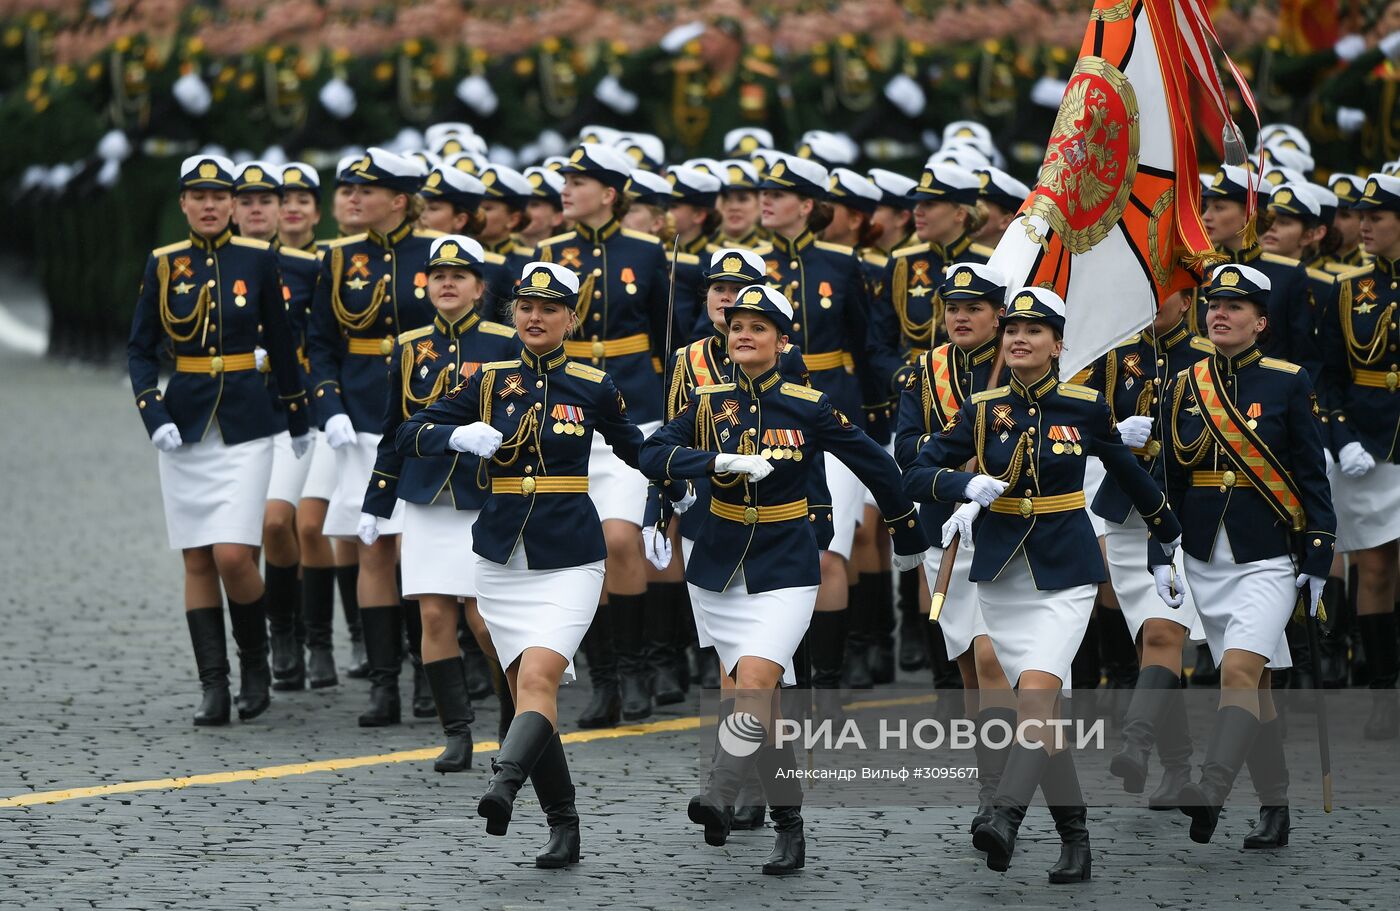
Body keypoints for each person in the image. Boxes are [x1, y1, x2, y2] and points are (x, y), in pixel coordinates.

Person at [641, 283, 929, 876]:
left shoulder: (809, 404)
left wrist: (904, 527)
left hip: (786, 562)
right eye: (736, 325)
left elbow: (874, 459)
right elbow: (653, 453)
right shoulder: (707, 401)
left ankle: (720, 791)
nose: (743, 334)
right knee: (758, 700)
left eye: (758, 326)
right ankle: (790, 829)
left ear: (782, 339)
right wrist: (710, 465)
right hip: (719, 563)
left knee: (754, 682)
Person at [903, 287, 1182, 882]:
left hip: (1065, 571)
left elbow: (1130, 472)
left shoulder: (1083, 405)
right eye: (1014, 330)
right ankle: (1075, 840)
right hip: (1002, 575)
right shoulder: (981, 409)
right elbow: (919, 469)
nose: (1021, 338)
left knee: (1034, 696)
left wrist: (1164, 540)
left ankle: (1004, 815)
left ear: (1059, 345)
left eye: (1036, 330)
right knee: (1042, 718)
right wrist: (961, 487)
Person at [394, 261, 661, 869]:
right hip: (501, 557)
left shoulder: (594, 383)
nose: (534, 318)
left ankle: (503, 784)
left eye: (549, 308)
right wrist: (456, 438)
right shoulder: (487, 380)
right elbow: (411, 430)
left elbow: (639, 450)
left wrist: (683, 481)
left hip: (570, 556)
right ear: (512, 313)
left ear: (571, 317)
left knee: (538, 680)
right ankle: (564, 827)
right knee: (524, 692)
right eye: (525, 307)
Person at [1155, 263, 1335, 848]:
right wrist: (1165, 546)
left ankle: (1211, 789)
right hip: (1207, 555)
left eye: (1235, 306)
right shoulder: (1185, 383)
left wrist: (1318, 553)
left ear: (1260, 321)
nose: (1220, 313)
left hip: (1267, 555)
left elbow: (1311, 475)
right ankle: (1275, 810)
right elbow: (1173, 476)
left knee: (1237, 670)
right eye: (1214, 304)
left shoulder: (1287, 381)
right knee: (1252, 687)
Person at [127, 153, 311, 725]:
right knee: (197, 559)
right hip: (185, 427)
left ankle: (255, 663)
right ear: (182, 203)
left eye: (218, 195)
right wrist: (152, 413)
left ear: (232, 204)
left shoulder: (256, 259)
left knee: (234, 553)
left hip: (248, 425)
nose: (209, 205)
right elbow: (139, 349)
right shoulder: (164, 264)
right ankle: (214, 684)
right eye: (197, 195)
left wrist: (298, 416)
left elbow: (281, 342)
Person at [358, 235, 518, 770]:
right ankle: (457, 733)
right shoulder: (409, 346)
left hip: (481, 492)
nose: (447, 282)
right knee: (432, 616)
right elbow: (393, 427)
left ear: (479, 287)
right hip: (426, 494)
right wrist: (377, 500)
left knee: (483, 618)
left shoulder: (503, 341)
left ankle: (510, 721)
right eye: (438, 274)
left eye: (460, 274)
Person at [754, 150, 897, 713]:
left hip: (832, 416)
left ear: (807, 205)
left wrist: (881, 415)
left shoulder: (842, 264)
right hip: (762, 418)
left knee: (828, 551)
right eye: (764, 192)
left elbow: (867, 346)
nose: (766, 200)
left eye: (779, 194)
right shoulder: (750, 262)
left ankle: (827, 682)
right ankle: (784, 669)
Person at [535, 143, 671, 726]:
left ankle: (638, 668)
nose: (566, 189)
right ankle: (605, 677)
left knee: (620, 540)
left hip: (630, 406)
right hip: (565, 408)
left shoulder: (644, 251)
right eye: (565, 179)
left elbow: (668, 336)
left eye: (579, 181)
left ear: (610, 193)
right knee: (580, 546)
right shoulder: (547, 254)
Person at [307, 147, 437, 726]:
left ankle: (429, 673)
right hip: (360, 414)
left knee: (422, 546)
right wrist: (329, 406)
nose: (353, 199)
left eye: (367, 191)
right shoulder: (336, 259)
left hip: (425, 412)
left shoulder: (434, 255)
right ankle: (384, 684)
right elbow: (320, 344)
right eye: (350, 190)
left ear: (400, 200)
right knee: (374, 544)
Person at [893, 261, 1015, 828]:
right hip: (946, 525)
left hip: (1010, 523)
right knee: (968, 662)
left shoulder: (1022, 362)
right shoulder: (925, 369)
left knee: (992, 658)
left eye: (974, 308)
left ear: (999, 315)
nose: (961, 317)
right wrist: (955, 465)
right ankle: (991, 783)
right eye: (952, 308)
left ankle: (1005, 794)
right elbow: (908, 450)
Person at [1093, 287, 1214, 807]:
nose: (1150, 304)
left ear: (1187, 301)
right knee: (1150, 642)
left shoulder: (1210, 358)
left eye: (1162, 296)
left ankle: (1136, 743)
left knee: (1165, 633)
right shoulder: (1116, 354)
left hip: (1185, 513)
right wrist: (1111, 432)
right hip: (1126, 513)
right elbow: (1072, 422)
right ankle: (1176, 766)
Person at [230, 160, 327, 691]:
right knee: (236, 544)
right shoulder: (216, 266)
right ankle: (256, 648)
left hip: (293, 412)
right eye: (246, 202)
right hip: (237, 413)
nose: (260, 210)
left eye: (268, 201)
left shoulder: (307, 269)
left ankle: (289, 632)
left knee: (275, 523)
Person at [1320, 172, 1400, 740]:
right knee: (1374, 567)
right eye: (1361, 217)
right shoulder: (1349, 290)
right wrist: (1341, 436)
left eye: (1376, 217)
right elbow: (1327, 377)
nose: (1363, 226)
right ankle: (1383, 691)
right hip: (1368, 445)